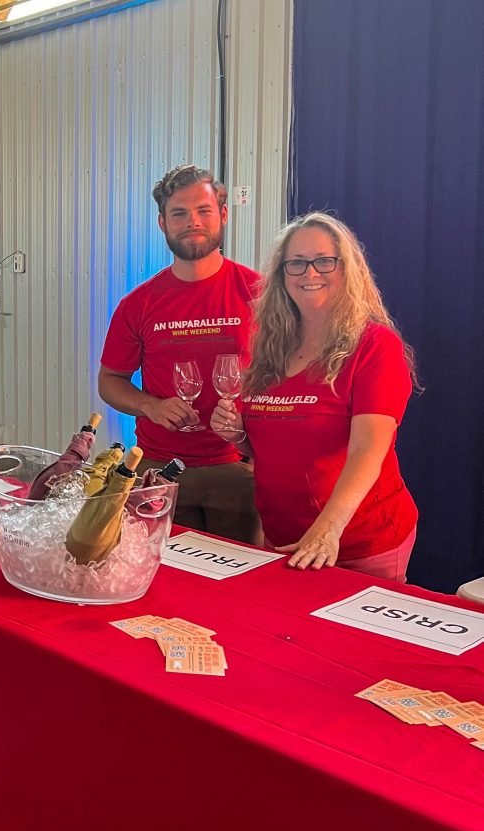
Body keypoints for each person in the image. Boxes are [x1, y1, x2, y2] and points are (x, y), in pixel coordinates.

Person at [210, 212, 419, 582]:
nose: (310, 274)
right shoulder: (270, 348)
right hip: (285, 539)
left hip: (357, 543)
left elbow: (368, 448)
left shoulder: (374, 346)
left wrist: (328, 530)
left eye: (324, 261)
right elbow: (274, 445)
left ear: (347, 269)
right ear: (281, 275)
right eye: (297, 263)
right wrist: (238, 435)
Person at [98, 164, 262, 544]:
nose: (192, 222)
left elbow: (291, 377)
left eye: (203, 210)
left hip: (238, 470)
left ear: (222, 214)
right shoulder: (137, 304)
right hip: (160, 469)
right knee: (161, 579)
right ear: (162, 223)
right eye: (179, 213)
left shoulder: (261, 293)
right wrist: (151, 406)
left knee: (236, 593)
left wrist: (260, 447)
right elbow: (110, 382)